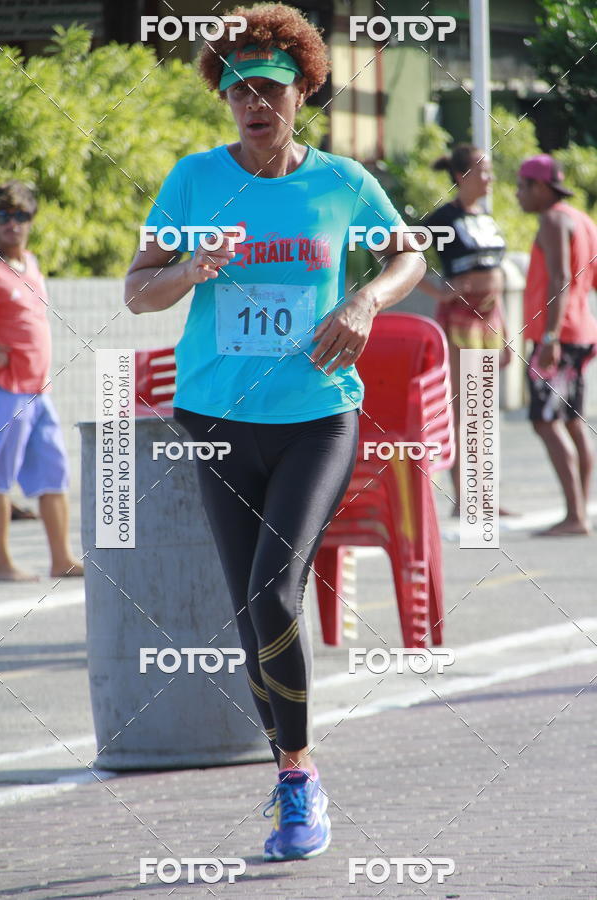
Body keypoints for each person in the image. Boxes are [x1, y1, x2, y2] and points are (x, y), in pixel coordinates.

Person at [125, 3, 425, 863]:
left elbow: (410, 254)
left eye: (272, 89)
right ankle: (291, 764)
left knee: (272, 593)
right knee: (250, 608)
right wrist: (188, 268)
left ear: (303, 95)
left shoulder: (341, 183)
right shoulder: (192, 180)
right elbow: (137, 290)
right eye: (239, 89)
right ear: (222, 95)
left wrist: (367, 297)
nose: (255, 103)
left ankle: (297, 779)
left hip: (317, 417)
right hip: (216, 420)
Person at [416, 144, 511, 515]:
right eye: (483, 171)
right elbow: (395, 250)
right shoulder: (444, 217)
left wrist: (504, 330)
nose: (490, 178)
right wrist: (439, 288)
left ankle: (486, 496)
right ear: (461, 176)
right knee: (465, 406)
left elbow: (496, 270)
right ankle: (466, 498)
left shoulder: (486, 217)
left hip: (490, 320)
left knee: (484, 408)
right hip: (460, 319)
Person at [0, 180, 84, 581]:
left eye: (20, 216)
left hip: (38, 389)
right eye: (3, 215)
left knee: (54, 471)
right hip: (5, 388)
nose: (12, 224)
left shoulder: (30, 262)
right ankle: (2, 563)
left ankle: (61, 558)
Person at [516, 154, 597, 536]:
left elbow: (561, 276)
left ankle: (575, 516)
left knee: (546, 421)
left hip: (557, 337)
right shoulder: (582, 219)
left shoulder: (552, 220)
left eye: (522, 186)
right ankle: (579, 510)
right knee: (571, 423)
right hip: (579, 333)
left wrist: (549, 337)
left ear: (541, 187)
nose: (518, 194)